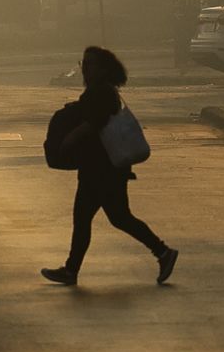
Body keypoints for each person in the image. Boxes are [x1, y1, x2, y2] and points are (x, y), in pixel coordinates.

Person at [42, 46, 178, 286]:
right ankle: (161, 252)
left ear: (103, 68)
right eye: (83, 63)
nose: (85, 68)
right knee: (117, 217)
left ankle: (72, 270)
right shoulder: (103, 91)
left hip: (100, 168)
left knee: (90, 219)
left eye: (90, 63)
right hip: (105, 167)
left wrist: (68, 140)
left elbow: (93, 123)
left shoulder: (101, 93)